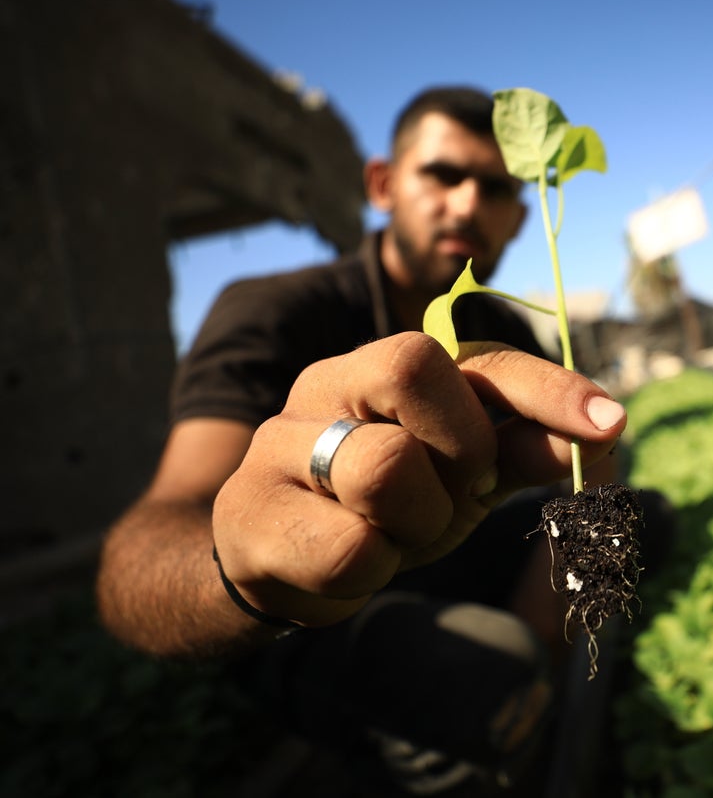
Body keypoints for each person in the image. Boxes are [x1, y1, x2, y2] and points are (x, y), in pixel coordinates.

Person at [96, 86, 662, 796]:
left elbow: (575, 480)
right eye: (442, 174)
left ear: (521, 217)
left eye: (493, 187)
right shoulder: (273, 312)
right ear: (382, 184)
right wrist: (242, 575)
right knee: (482, 674)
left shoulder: (507, 328)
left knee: (643, 514)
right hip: (303, 622)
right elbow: (139, 556)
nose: (464, 204)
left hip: (442, 558)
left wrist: (557, 607)